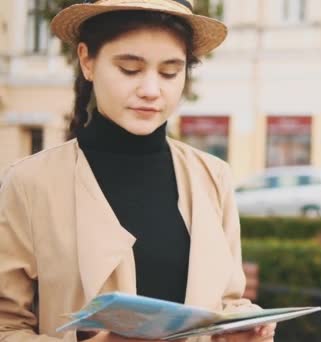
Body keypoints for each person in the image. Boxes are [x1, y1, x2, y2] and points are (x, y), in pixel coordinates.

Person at [0, 1, 275, 341]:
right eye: (130, 69)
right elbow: (6, 327)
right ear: (87, 60)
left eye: (170, 72)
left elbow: (227, 302)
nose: (151, 90)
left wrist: (243, 327)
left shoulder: (212, 176)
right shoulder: (30, 183)